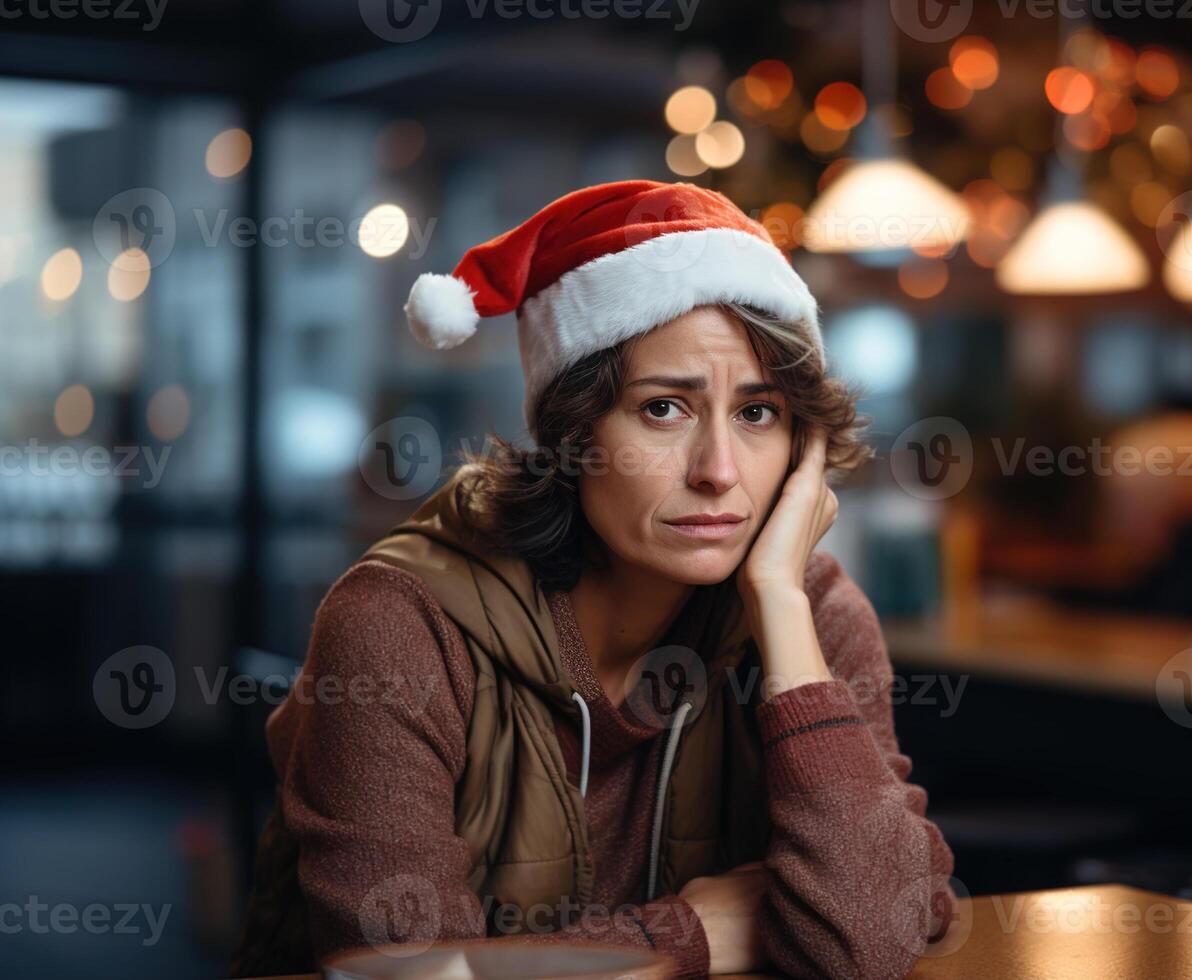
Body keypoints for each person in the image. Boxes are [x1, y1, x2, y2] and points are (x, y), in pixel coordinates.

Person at [227, 180, 956, 979]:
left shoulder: (810, 609)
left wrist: (781, 605)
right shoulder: (399, 623)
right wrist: (692, 936)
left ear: (802, 446)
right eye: (663, 410)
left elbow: (870, 941)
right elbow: (408, 971)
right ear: (573, 434)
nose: (719, 472)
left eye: (758, 414)